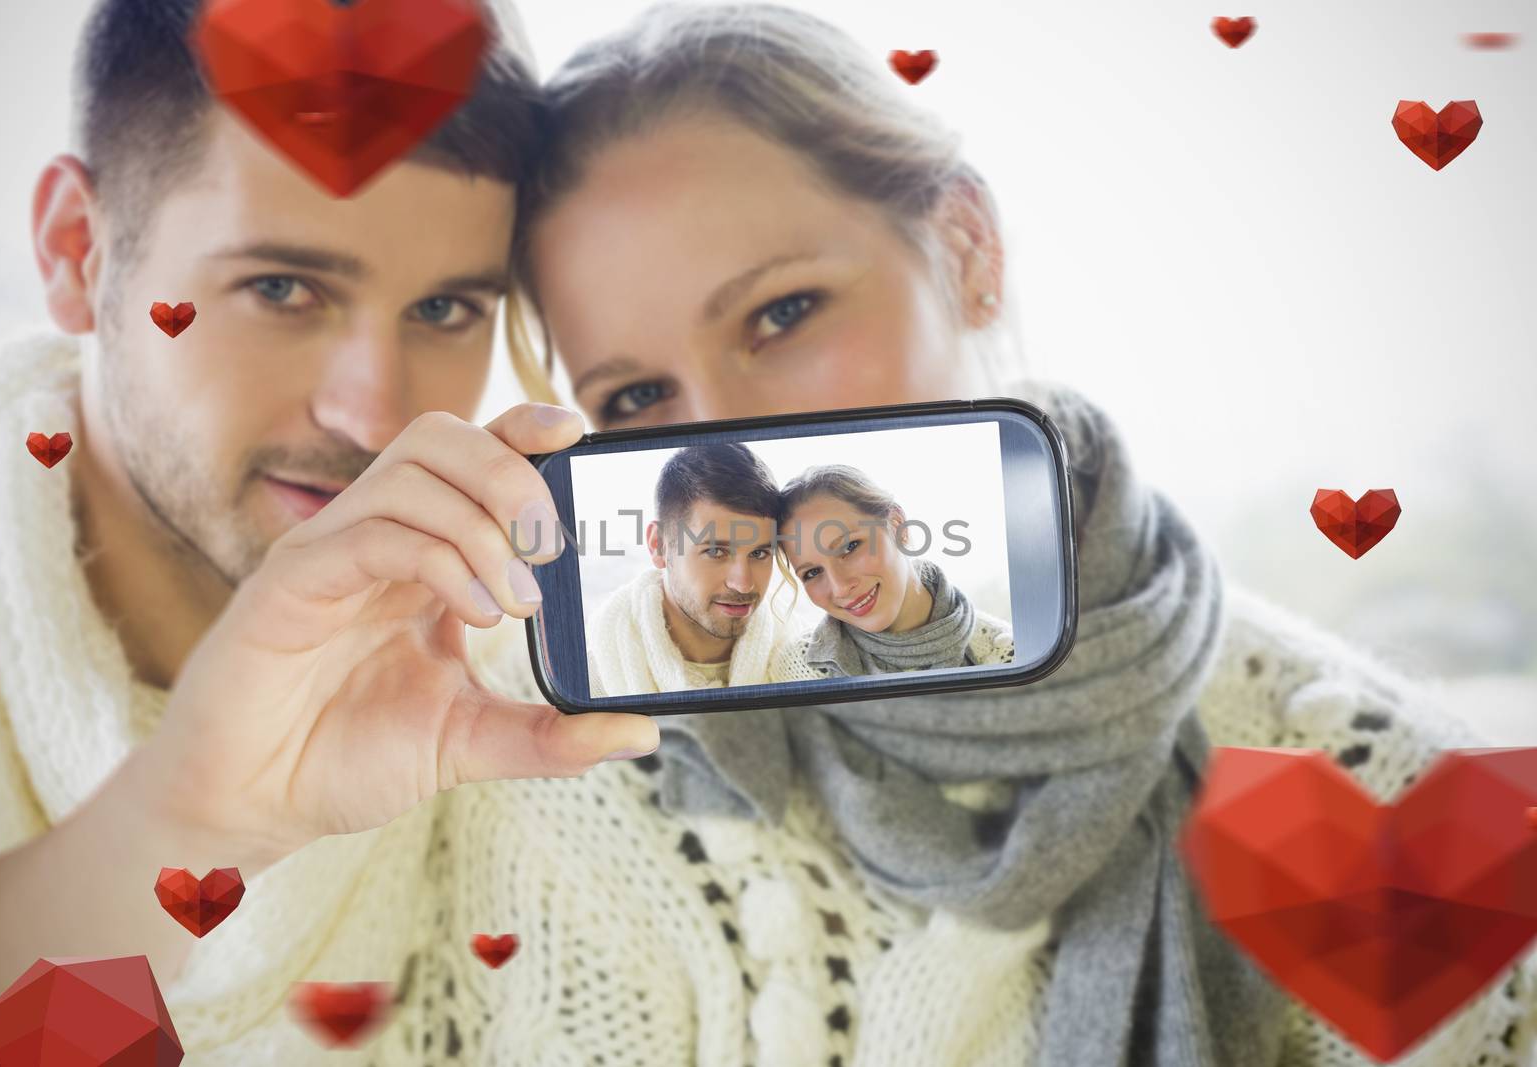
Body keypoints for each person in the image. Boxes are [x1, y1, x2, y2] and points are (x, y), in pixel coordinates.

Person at [494, 3, 1537, 1065]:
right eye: (633, 396)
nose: (731, 441)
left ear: (965, 246)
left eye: (783, 312)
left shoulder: (1393, 792)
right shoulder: (540, 771)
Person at [0, 0, 664, 1059]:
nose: (372, 414)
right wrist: (186, 813)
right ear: (76, 250)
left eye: (445, 310)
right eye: (281, 287)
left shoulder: (544, 679)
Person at [767, 463, 1015, 682]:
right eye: (812, 572)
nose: (841, 587)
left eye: (850, 547)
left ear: (897, 526)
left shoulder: (1008, 654)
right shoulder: (799, 669)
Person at [585, 442, 789, 695]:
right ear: (659, 545)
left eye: (759, 553)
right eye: (715, 551)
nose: (743, 583)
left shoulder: (800, 660)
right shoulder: (589, 681)